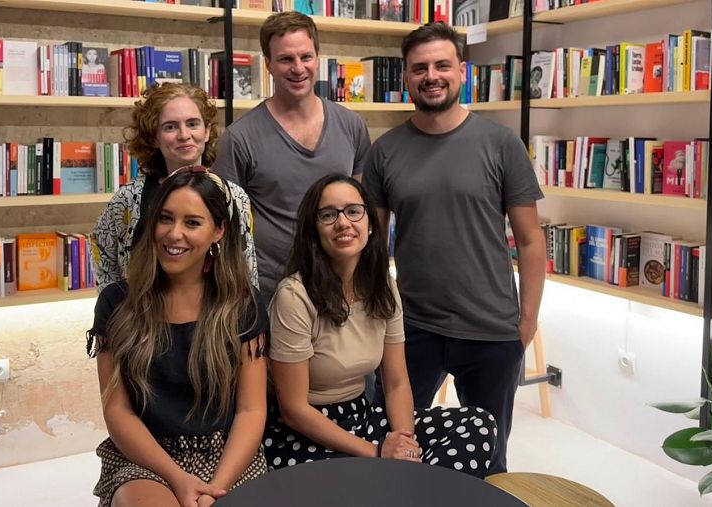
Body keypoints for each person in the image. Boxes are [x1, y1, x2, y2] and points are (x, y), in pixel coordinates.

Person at [363, 22, 546, 475]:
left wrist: (526, 322)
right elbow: (369, 246)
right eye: (419, 68)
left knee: (488, 460)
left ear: (462, 71)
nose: (431, 76)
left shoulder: (501, 143)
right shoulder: (384, 151)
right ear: (406, 77)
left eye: (442, 65)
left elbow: (530, 240)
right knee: (395, 448)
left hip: (490, 330)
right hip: (411, 329)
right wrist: (373, 318)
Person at [263, 174, 498, 478]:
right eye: (328, 215)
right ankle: (402, 489)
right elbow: (294, 410)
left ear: (371, 223)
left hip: (362, 416)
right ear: (313, 229)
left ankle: (403, 487)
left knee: (478, 424)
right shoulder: (294, 296)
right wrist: (376, 452)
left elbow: (396, 382)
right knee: (355, 482)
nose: (343, 222)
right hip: (305, 433)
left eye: (353, 211)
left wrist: (405, 445)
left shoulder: (383, 285)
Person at [87, 167, 269, 507]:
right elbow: (118, 411)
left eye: (192, 223)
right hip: (147, 460)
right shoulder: (116, 303)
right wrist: (178, 479)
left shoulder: (243, 303)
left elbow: (251, 410)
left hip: (228, 458)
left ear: (218, 231)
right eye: (166, 219)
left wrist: (214, 490)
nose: (174, 234)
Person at [213, 11, 371, 304]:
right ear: (268, 65)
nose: (298, 68)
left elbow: (358, 210)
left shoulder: (352, 126)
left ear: (317, 58)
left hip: (341, 288)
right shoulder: (240, 138)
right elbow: (225, 226)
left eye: (306, 57)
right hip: (270, 295)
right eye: (286, 59)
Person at [92, 82, 258, 292]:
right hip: (142, 309)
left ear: (207, 131)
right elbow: (101, 250)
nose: (184, 135)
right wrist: (115, 302)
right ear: (154, 137)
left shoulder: (234, 196)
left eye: (193, 124)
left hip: (216, 311)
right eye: (170, 127)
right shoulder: (128, 198)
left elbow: (246, 267)